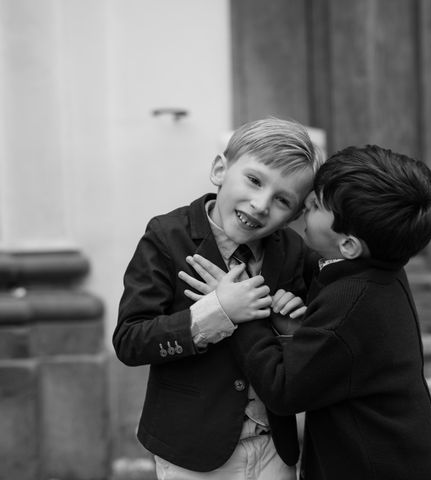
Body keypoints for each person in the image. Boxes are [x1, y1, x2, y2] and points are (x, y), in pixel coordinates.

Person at [181, 145, 431, 479]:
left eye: (318, 204)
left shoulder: (350, 301)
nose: (305, 203)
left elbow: (283, 390)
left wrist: (240, 313)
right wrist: (299, 330)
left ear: (349, 245)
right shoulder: (382, 273)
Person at [113, 117, 322, 480]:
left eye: (282, 200)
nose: (260, 205)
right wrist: (217, 312)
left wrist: (291, 329)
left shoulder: (292, 251)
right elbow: (130, 341)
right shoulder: (166, 237)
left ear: (296, 215)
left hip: (276, 445)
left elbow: (314, 339)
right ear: (220, 169)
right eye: (254, 181)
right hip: (194, 449)